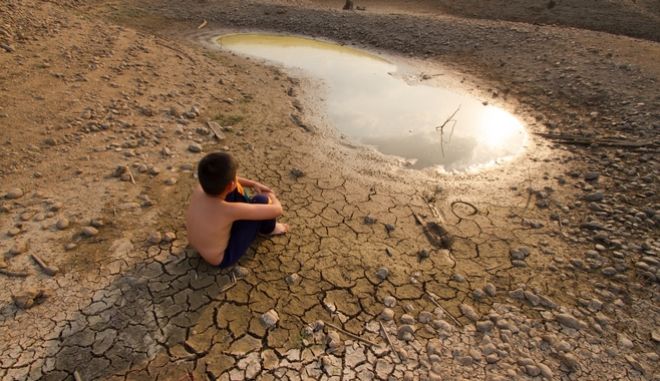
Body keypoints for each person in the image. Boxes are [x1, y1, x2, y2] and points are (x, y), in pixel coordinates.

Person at [186, 152, 288, 267]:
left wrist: (253, 184)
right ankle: (269, 229)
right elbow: (277, 210)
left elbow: (231, 182)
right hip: (222, 258)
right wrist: (271, 195)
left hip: (197, 246)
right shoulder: (229, 210)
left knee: (230, 189)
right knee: (261, 200)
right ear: (230, 184)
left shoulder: (200, 188)